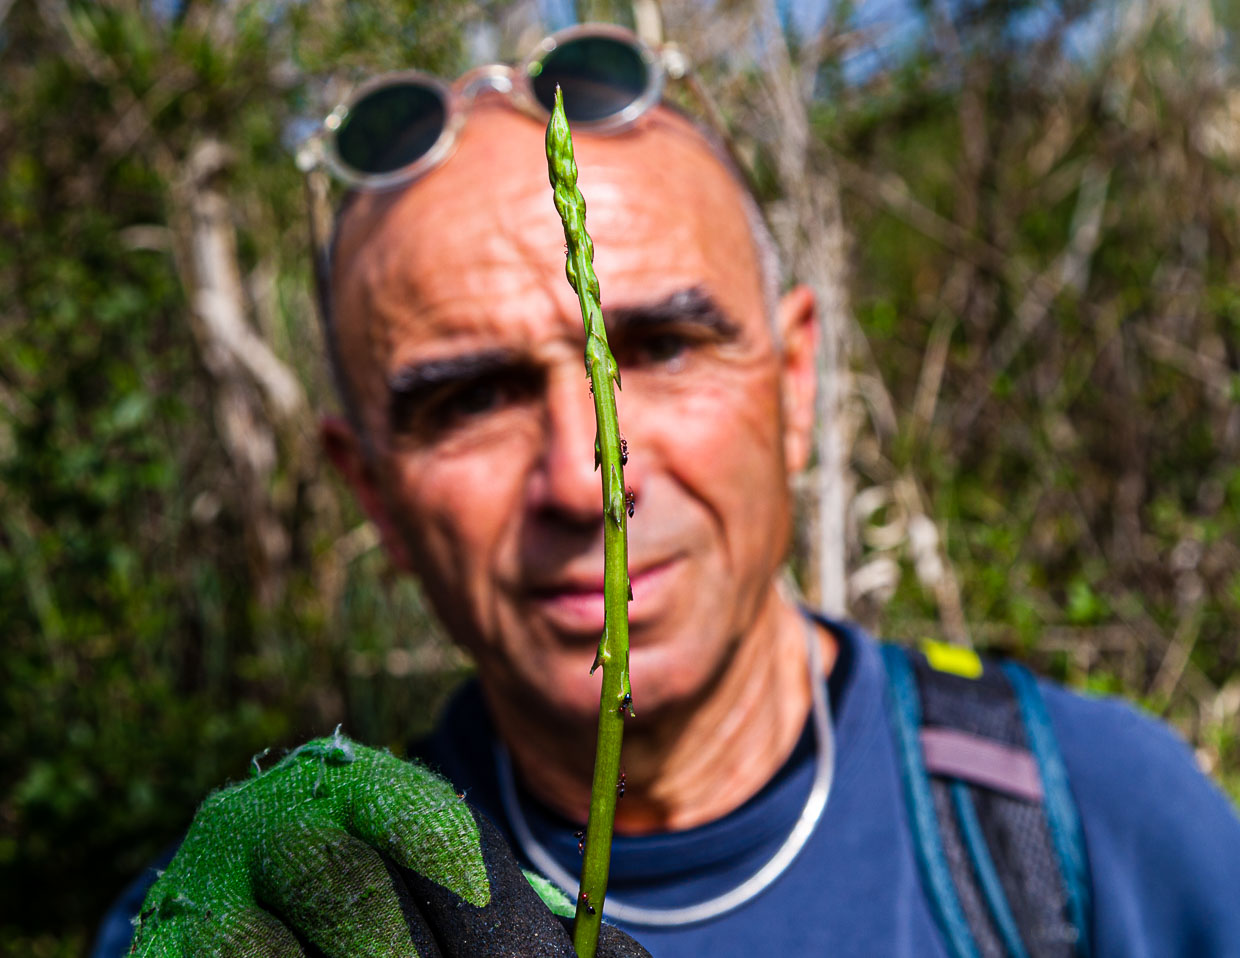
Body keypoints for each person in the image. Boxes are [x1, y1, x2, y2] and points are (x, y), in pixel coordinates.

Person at [96, 26, 1240, 958]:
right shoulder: (288, 910)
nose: (587, 487)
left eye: (665, 346)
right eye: (468, 398)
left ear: (795, 387)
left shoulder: (1100, 827)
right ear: (374, 496)